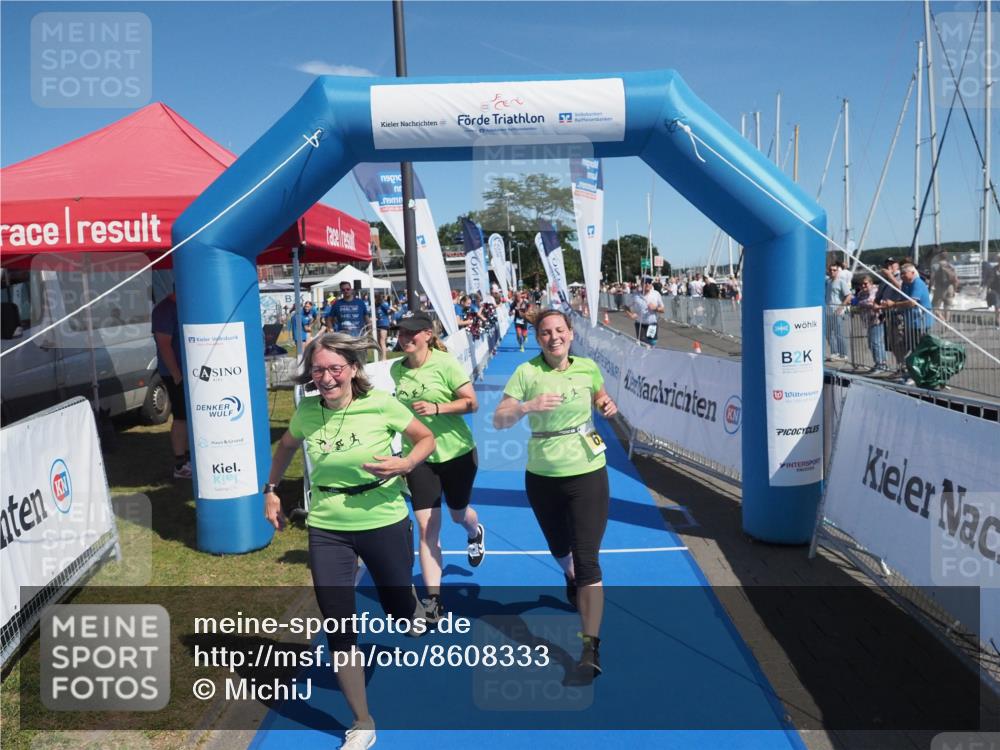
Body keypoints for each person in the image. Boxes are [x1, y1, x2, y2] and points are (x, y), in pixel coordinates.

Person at [264, 332, 435, 750]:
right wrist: (270, 489)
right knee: (338, 625)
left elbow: (425, 438)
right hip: (327, 524)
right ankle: (362, 721)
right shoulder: (306, 411)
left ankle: (410, 604)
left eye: (335, 368)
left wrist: (406, 462)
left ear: (353, 370)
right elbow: (286, 446)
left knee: (398, 610)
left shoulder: (380, 403)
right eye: (318, 369)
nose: (326, 377)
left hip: (383, 518)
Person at [492, 309, 618, 683]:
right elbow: (499, 420)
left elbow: (600, 395)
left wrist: (605, 405)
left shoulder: (587, 367)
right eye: (545, 332)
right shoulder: (526, 373)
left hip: (588, 473)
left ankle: (590, 647)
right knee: (559, 547)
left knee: (588, 561)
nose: (553, 337)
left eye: (559, 330)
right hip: (543, 475)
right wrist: (527, 406)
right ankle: (568, 573)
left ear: (571, 333)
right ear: (538, 338)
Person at [390, 311, 485, 622]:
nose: (404, 338)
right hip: (419, 457)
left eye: (411, 333)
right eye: (401, 332)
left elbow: (472, 403)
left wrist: (437, 407)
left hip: (457, 453)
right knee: (428, 528)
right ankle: (433, 600)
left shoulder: (444, 364)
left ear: (427, 335)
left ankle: (475, 530)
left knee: (458, 514)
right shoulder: (396, 370)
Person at [151, 291, 190, 479]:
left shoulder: (184, 305)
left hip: (190, 372)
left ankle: (190, 460)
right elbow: (164, 344)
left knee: (191, 416)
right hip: (176, 373)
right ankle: (180, 464)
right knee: (181, 416)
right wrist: (176, 374)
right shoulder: (164, 310)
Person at [854, 275, 888, 374]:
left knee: (876, 343)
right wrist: (863, 303)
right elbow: (857, 302)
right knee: (872, 343)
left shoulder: (875, 291)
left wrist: (863, 303)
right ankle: (879, 363)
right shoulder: (861, 293)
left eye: (865, 283)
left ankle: (881, 364)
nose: (863, 286)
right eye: (862, 284)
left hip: (877, 319)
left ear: (871, 283)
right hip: (867, 320)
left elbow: (872, 302)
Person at [825, 260, 853, 361]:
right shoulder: (828, 282)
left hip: (837, 311)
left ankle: (843, 354)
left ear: (838, 271)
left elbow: (849, 296)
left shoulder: (841, 282)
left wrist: (841, 307)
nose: (832, 272)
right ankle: (834, 352)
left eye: (834, 270)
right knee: (828, 333)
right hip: (828, 310)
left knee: (839, 333)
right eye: (830, 270)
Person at [624, 276, 664, 346]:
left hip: (652, 324)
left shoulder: (656, 294)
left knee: (652, 344)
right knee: (643, 345)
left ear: (651, 284)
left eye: (649, 282)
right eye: (645, 282)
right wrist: (631, 314)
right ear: (641, 284)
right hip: (640, 325)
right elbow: (625, 306)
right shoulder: (636, 295)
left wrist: (656, 308)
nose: (647, 284)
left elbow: (663, 309)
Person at [373, 292, 393, 360]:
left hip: (384, 324)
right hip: (378, 324)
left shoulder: (382, 304)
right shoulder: (376, 305)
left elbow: (390, 310)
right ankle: (381, 357)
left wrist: (389, 314)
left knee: (382, 341)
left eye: (374, 298)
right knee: (379, 342)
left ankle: (384, 358)